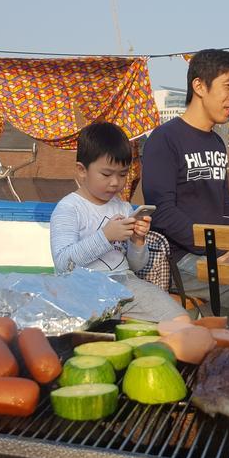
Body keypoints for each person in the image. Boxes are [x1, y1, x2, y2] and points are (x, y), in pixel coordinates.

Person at [142, 49, 229, 326]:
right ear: (199, 86)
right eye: (228, 86)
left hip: (215, 250)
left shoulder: (216, 143)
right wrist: (216, 252)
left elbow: (225, 208)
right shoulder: (164, 139)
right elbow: (161, 212)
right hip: (178, 257)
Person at [50, 121, 188, 322]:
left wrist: (137, 241)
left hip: (125, 284)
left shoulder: (123, 207)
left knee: (179, 320)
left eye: (122, 174)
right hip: (82, 288)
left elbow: (136, 265)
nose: (115, 182)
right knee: (100, 335)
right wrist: (105, 236)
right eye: (106, 174)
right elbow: (63, 264)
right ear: (82, 170)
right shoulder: (69, 208)